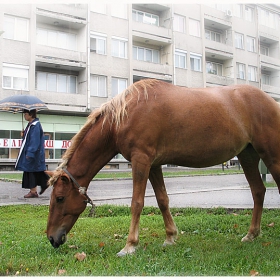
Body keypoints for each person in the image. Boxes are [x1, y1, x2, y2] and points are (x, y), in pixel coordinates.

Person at [15, 109, 49, 198]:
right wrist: (24, 134)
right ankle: (45, 183)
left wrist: (30, 153)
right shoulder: (30, 125)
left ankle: (33, 191)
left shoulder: (35, 126)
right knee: (35, 171)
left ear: (31, 114)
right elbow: (29, 138)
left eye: (26, 114)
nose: (24, 116)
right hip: (32, 152)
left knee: (31, 171)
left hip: (34, 153)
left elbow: (34, 141)